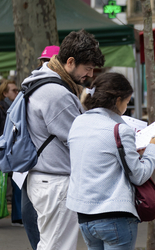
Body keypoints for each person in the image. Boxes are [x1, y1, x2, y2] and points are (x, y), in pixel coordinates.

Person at [21, 29, 104, 250]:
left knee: (51, 243)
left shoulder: (39, 81)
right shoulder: (57, 94)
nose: (90, 74)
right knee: (58, 246)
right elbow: (80, 139)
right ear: (70, 62)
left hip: (44, 178)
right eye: (87, 68)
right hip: (55, 182)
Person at [66, 72, 155, 249]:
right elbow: (139, 175)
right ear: (118, 100)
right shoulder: (120, 129)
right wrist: (154, 148)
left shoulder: (78, 122)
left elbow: (99, 156)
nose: (126, 106)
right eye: (127, 102)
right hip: (114, 214)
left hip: (84, 215)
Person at [21, 45, 61, 249]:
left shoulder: (30, 88)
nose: (45, 65)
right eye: (45, 61)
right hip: (36, 169)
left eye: (50, 61)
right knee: (41, 229)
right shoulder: (43, 89)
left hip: (33, 167)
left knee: (44, 233)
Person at [0, 80, 22, 227]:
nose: (17, 92)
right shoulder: (6, 107)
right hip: (5, 149)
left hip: (9, 149)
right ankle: (17, 216)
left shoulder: (12, 106)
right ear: (5, 93)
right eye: (13, 90)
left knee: (15, 182)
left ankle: (18, 216)